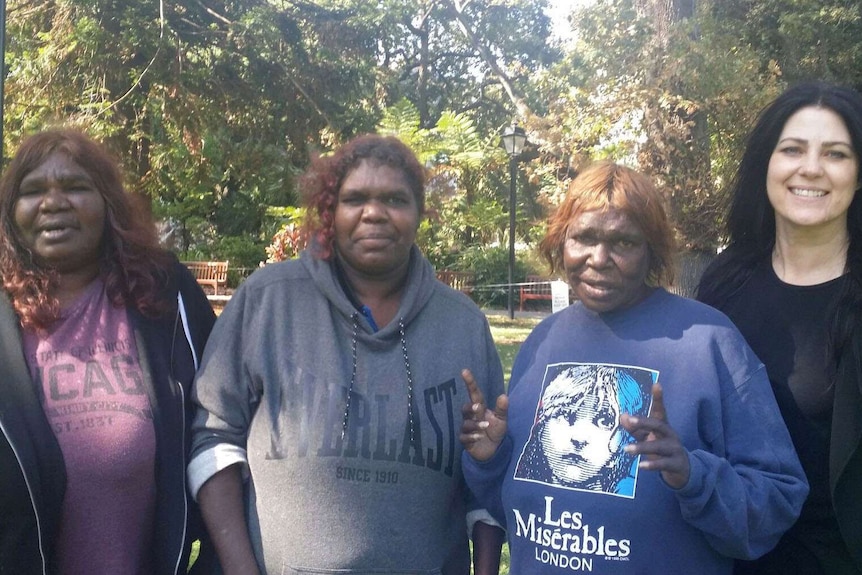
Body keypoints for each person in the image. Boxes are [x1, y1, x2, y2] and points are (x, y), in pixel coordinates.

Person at [460, 161, 809, 574]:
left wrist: (693, 476)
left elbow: (777, 500)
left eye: (623, 242)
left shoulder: (709, 340)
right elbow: (518, 507)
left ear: (652, 251)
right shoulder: (544, 341)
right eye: (583, 238)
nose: (599, 258)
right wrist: (491, 461)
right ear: (561, 242)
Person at [187, 134, 506, 574]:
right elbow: (214, 438)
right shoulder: (267, 302)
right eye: (355, 198)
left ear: (419, 214)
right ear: (329, 213)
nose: (374, 212)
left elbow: (484, 481)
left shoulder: (464, 326)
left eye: (395, 198)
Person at [0, 129, 217, 574]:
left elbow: (224, 425)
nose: (53, 202)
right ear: (11, 213)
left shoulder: (165, 298)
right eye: (33, 190)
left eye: (76, 187)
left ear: (108, 206)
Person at [697, 81, 862, 574]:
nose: (810, 168)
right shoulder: (725, 281)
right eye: (792, 149)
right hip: (729, 554)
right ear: (765, 164)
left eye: (836, 154)